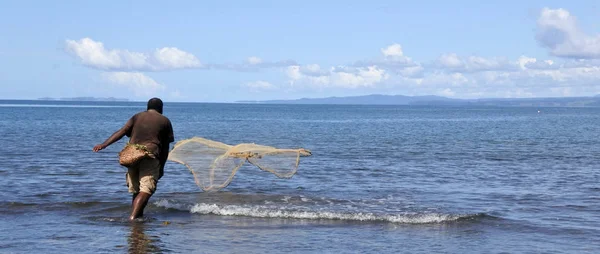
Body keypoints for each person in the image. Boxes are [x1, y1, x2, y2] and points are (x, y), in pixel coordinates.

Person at [93, 98, 174, 221]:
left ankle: (138, 217)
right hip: (150, 157)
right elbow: (165, 148)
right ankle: (133, 218)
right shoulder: (165, 121)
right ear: (161, 108)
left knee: (136, 190)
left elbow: (122, 131)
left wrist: (104, 144)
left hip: (132, 157)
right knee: (147, 189)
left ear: (148, 107)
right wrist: (162, 166)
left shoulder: (137, 116)